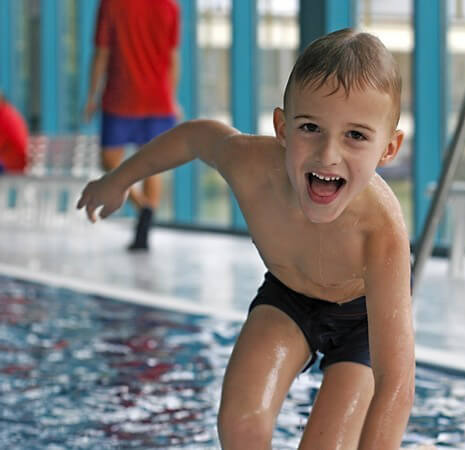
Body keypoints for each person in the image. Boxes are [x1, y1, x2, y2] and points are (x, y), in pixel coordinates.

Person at [77, 29, 415, 448]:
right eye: (310, 127)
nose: (329, 154)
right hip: (289, 298)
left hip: (362, 322)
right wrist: (119, 179)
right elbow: (195, 137)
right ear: (282, 128)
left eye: (356, 135)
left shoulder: (383, 234)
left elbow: (395, 384)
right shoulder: (252, 164)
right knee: (240, 423)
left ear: (388, 149)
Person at [83, 0, 181, 250]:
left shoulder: (111, 4)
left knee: (110, 160)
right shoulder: (169, 7)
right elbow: (173, 58)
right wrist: (171, 95)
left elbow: (101, 53)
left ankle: (143, 214)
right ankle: (146, 211)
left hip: (122, 97)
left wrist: (92, 96)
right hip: (154, 98)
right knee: (151, 166)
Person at [0, 90, 29, 174]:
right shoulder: (7, 112)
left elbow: (19, 144)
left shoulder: (5, 116)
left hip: (11, 164)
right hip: (12, 162)